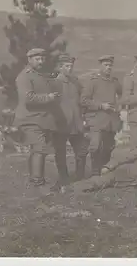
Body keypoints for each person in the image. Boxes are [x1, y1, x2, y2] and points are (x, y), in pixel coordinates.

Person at [14, 48, 60, 187]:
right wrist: (49, 97)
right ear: (29, 60)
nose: (41, 61)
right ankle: (37, 181)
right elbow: (29, 99)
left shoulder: (39, 75)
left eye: (42, 59)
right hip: (30, 119)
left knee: (38, 150)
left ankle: (35, 179)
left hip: (41, 119)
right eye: (37, 59)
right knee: (40, 149)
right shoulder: (24, 77)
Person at [70, 136, 137, 192]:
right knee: (99, 182)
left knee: (107, 190)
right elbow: (124, 158)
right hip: (122, 173)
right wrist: (108, 167)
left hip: (134, 183)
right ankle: (70, 188)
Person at [50, 53, 90, 192]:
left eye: (71, 66)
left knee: (81, 151)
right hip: (61, 124)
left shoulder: (75, 82)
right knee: (60, 153)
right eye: (66, 66)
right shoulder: (55, 83)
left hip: (77, 123)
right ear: (60, 67)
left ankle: (80, 177)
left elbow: (83, 98)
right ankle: (64, 177)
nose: (69, 69)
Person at [80, 55, 122, 176]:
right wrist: (100, 105)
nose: (108, 67)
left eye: (110, 65)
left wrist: (120, 105)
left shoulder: (114, 82)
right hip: (96, 120)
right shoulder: (92, 81)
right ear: (100, 66)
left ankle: (104, 173)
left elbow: (123, 95)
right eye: (106, 65)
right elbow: (83, 100)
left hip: (110, 121)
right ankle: (94, 173)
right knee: (95, 146)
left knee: (109, 147)